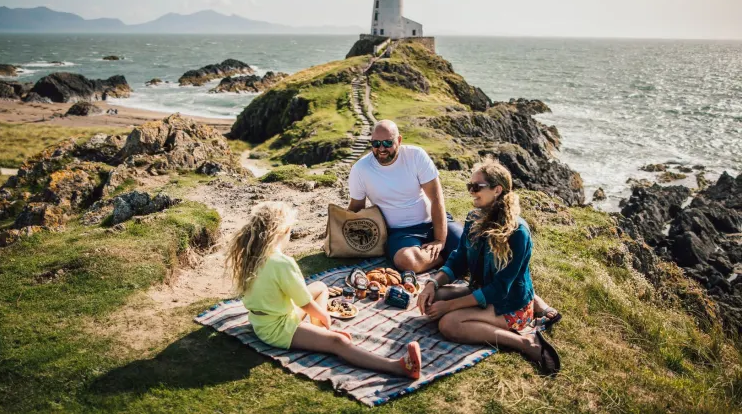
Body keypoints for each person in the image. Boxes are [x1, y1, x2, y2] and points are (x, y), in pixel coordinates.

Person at [225, 201, 423, 379]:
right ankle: (398, 367)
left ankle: (316, 333)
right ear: (283, 231)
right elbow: (305, 303)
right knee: (338, 342)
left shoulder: (253, 255)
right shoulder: (282, 263)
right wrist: (326, 318)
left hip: (262, 320)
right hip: (277, 329)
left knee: (320, 287)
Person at [417, 159, 561, 375]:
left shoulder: (517, 232)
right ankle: (461, 308)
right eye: (470, 186)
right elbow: (459, 259)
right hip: (480, 290)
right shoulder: (473, 218)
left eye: (477, 187)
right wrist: (431, 283)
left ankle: (525, 343)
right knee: (432, 299)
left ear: (497, 190)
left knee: (449, 324)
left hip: (509, 304)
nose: (471, 192)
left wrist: (451, 306)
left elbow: (500, 289)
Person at [347, 120, 463, 272]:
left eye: (388, 143)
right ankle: (449, 259)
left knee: (471, 244)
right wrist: (338, 233)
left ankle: (447, 255)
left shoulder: (416, 156)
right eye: (376, 143)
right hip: (400, 233)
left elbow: (436, 199)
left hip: (433, 222)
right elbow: (356, 208)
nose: (381, 148)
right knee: (407, 261)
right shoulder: (360, 169)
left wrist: (440, 240)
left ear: (399, 140)